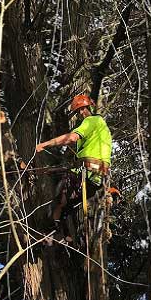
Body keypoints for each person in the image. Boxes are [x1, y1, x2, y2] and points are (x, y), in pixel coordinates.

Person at [35, 94, 112, 239]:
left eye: (82, 109)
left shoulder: (91, 121)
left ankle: (52, 228)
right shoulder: (102, 128)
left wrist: (45, 144)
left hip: (88, 172)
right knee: (67, 206)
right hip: (96, 178)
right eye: (78, 111)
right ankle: (66, 236)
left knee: (58, 195)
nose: (81, 113)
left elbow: (71, 137)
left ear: (88, 108)